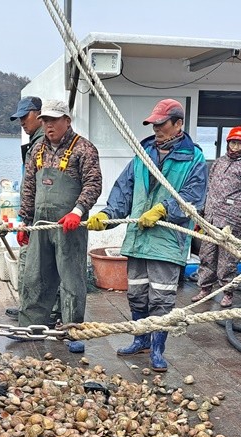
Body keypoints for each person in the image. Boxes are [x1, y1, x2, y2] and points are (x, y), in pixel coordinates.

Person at [87, 99, 208, 372]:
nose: (156, 129)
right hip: (139, 239)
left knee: (162, 298)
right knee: (137, 294)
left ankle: (157, 350)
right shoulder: (144, 152)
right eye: (153, 124)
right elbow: (124, 189)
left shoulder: (194, 158)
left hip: (167, 242)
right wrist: (108, 216)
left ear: (178, 124)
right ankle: (140, 340)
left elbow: (194, 198)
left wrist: (164, 209)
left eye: (162, 124)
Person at [16, 99, 102, 353]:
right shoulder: (37, 149)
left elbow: (93, 184)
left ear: (68, 120)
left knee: (71, 279)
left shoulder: (84, 149)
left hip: (70, 226)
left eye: (54, 120)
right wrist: (25, 221)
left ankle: (73, 330)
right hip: (41, 225)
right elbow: (29, 187)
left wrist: (78, 211)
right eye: (45, 120)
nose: (49, 125)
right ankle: (31, 327)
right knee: (35, 275)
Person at [191, 126, 241, 308]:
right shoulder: (219, 163)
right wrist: (201, 217)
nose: (235, 147)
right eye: (233, 142)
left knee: (227, 261)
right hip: (211, 219)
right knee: (206, 255)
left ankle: (228, 292)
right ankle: (205, 288)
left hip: (233, 222)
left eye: (240, 143)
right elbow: (209, 190)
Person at [5, 95, 45, 321]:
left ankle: (32, 310)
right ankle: (29, 307)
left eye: (25, 116)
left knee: (31, 264)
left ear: (38, 114)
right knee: (32, 263)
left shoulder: (41, 144)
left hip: (36, 216)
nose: (22, 122)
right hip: (31, 214)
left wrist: (26, 219)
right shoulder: (34, 143)